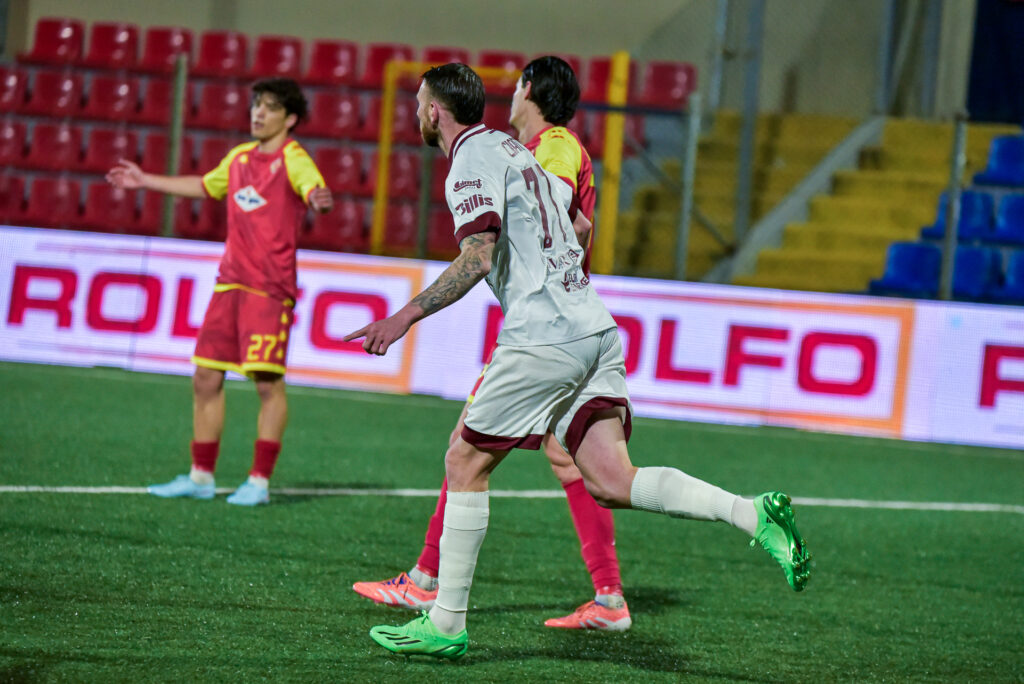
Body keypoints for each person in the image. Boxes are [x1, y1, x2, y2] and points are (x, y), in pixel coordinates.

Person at [345, 63, 811, 661]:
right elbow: (578, 222)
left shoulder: (471, 160)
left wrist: (404, 316)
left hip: (544, 334)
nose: (414, 110)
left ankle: (445, 620)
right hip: (592, 326)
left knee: (464, 460)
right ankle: (752, 514)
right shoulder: (515, 149)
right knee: (612, 481)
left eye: (418, 101)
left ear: (434, 111)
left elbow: (478, 255)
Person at [351, 56, 631, 632]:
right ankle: (608, 597)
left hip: (546, 329)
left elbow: (562, 218)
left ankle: (428, 584)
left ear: (527, 89)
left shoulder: (552, 145)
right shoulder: (525, 147)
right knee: (571, 462)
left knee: (465, 448)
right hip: (562, 324)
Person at [107, 78, 333, 506]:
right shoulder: (239, 157)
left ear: (290, 119)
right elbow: (204, 185)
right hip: (228, 283)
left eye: (269, 107)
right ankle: (200, 476)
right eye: (256, 105)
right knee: (206, 377)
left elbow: (313, 191)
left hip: (268, 289)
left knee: (267, 384)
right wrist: (145, 180)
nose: (258, 113)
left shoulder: (294, 158)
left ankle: (259, 482)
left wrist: (320, 201)